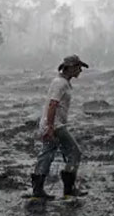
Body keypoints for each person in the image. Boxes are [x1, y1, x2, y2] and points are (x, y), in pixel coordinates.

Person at [31, 54, 89, 199]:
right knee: (75, 153)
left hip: (51, 124)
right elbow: (52, 105)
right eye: (79, 67)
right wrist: (50, 127)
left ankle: (38, 190)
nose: (80, 70)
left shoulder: (62, 82)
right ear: (70, 68)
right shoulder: (60, 83)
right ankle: (68, 189)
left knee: (47, 154)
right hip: (55, 125)